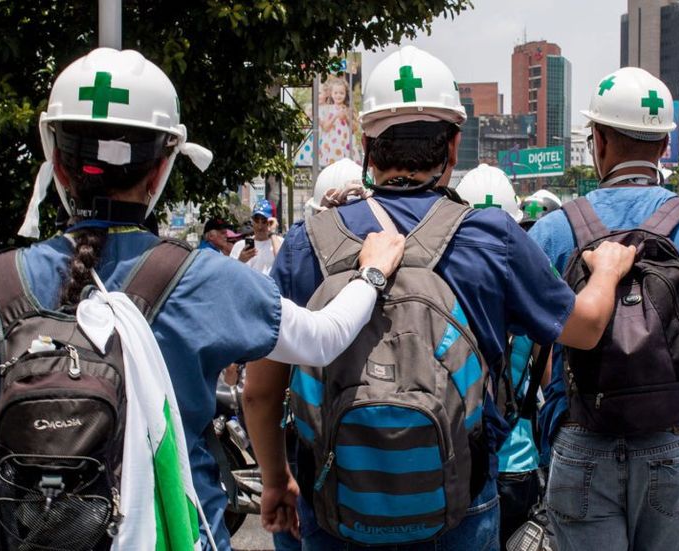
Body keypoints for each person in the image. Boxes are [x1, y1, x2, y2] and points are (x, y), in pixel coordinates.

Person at [0, 48, 408, 551]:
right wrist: (372, 273)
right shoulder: (205, 278)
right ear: (160, 170)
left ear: (57, 163)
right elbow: (322, 339)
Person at [242, 45, 636, 550]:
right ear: (453, 146)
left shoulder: (308, 242)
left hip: (334, 506)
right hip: (459, 508)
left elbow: (260, 390)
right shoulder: (491, 238)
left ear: (367, 148)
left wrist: (276, 479)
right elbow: (587, 327)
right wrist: (607, 270)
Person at [530, 67, 679, 551]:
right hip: (672, 441)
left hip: (580, 438)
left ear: (598, 141)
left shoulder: (553, 231)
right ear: (664, 146)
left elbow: (525, 348)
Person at [455, 162, 545, 546]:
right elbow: (545, 379)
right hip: (519, 461)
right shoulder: (531, 294)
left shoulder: (447, 294)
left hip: (463, 460)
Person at [230, 199, 283, 275]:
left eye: (264, 221)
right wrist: (240, 260)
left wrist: (273, 233)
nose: (259, 226)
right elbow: (231, 275)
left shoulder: (280, 243)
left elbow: (283, 263)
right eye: (256, 220)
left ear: (273, 222)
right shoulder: (240, 245)